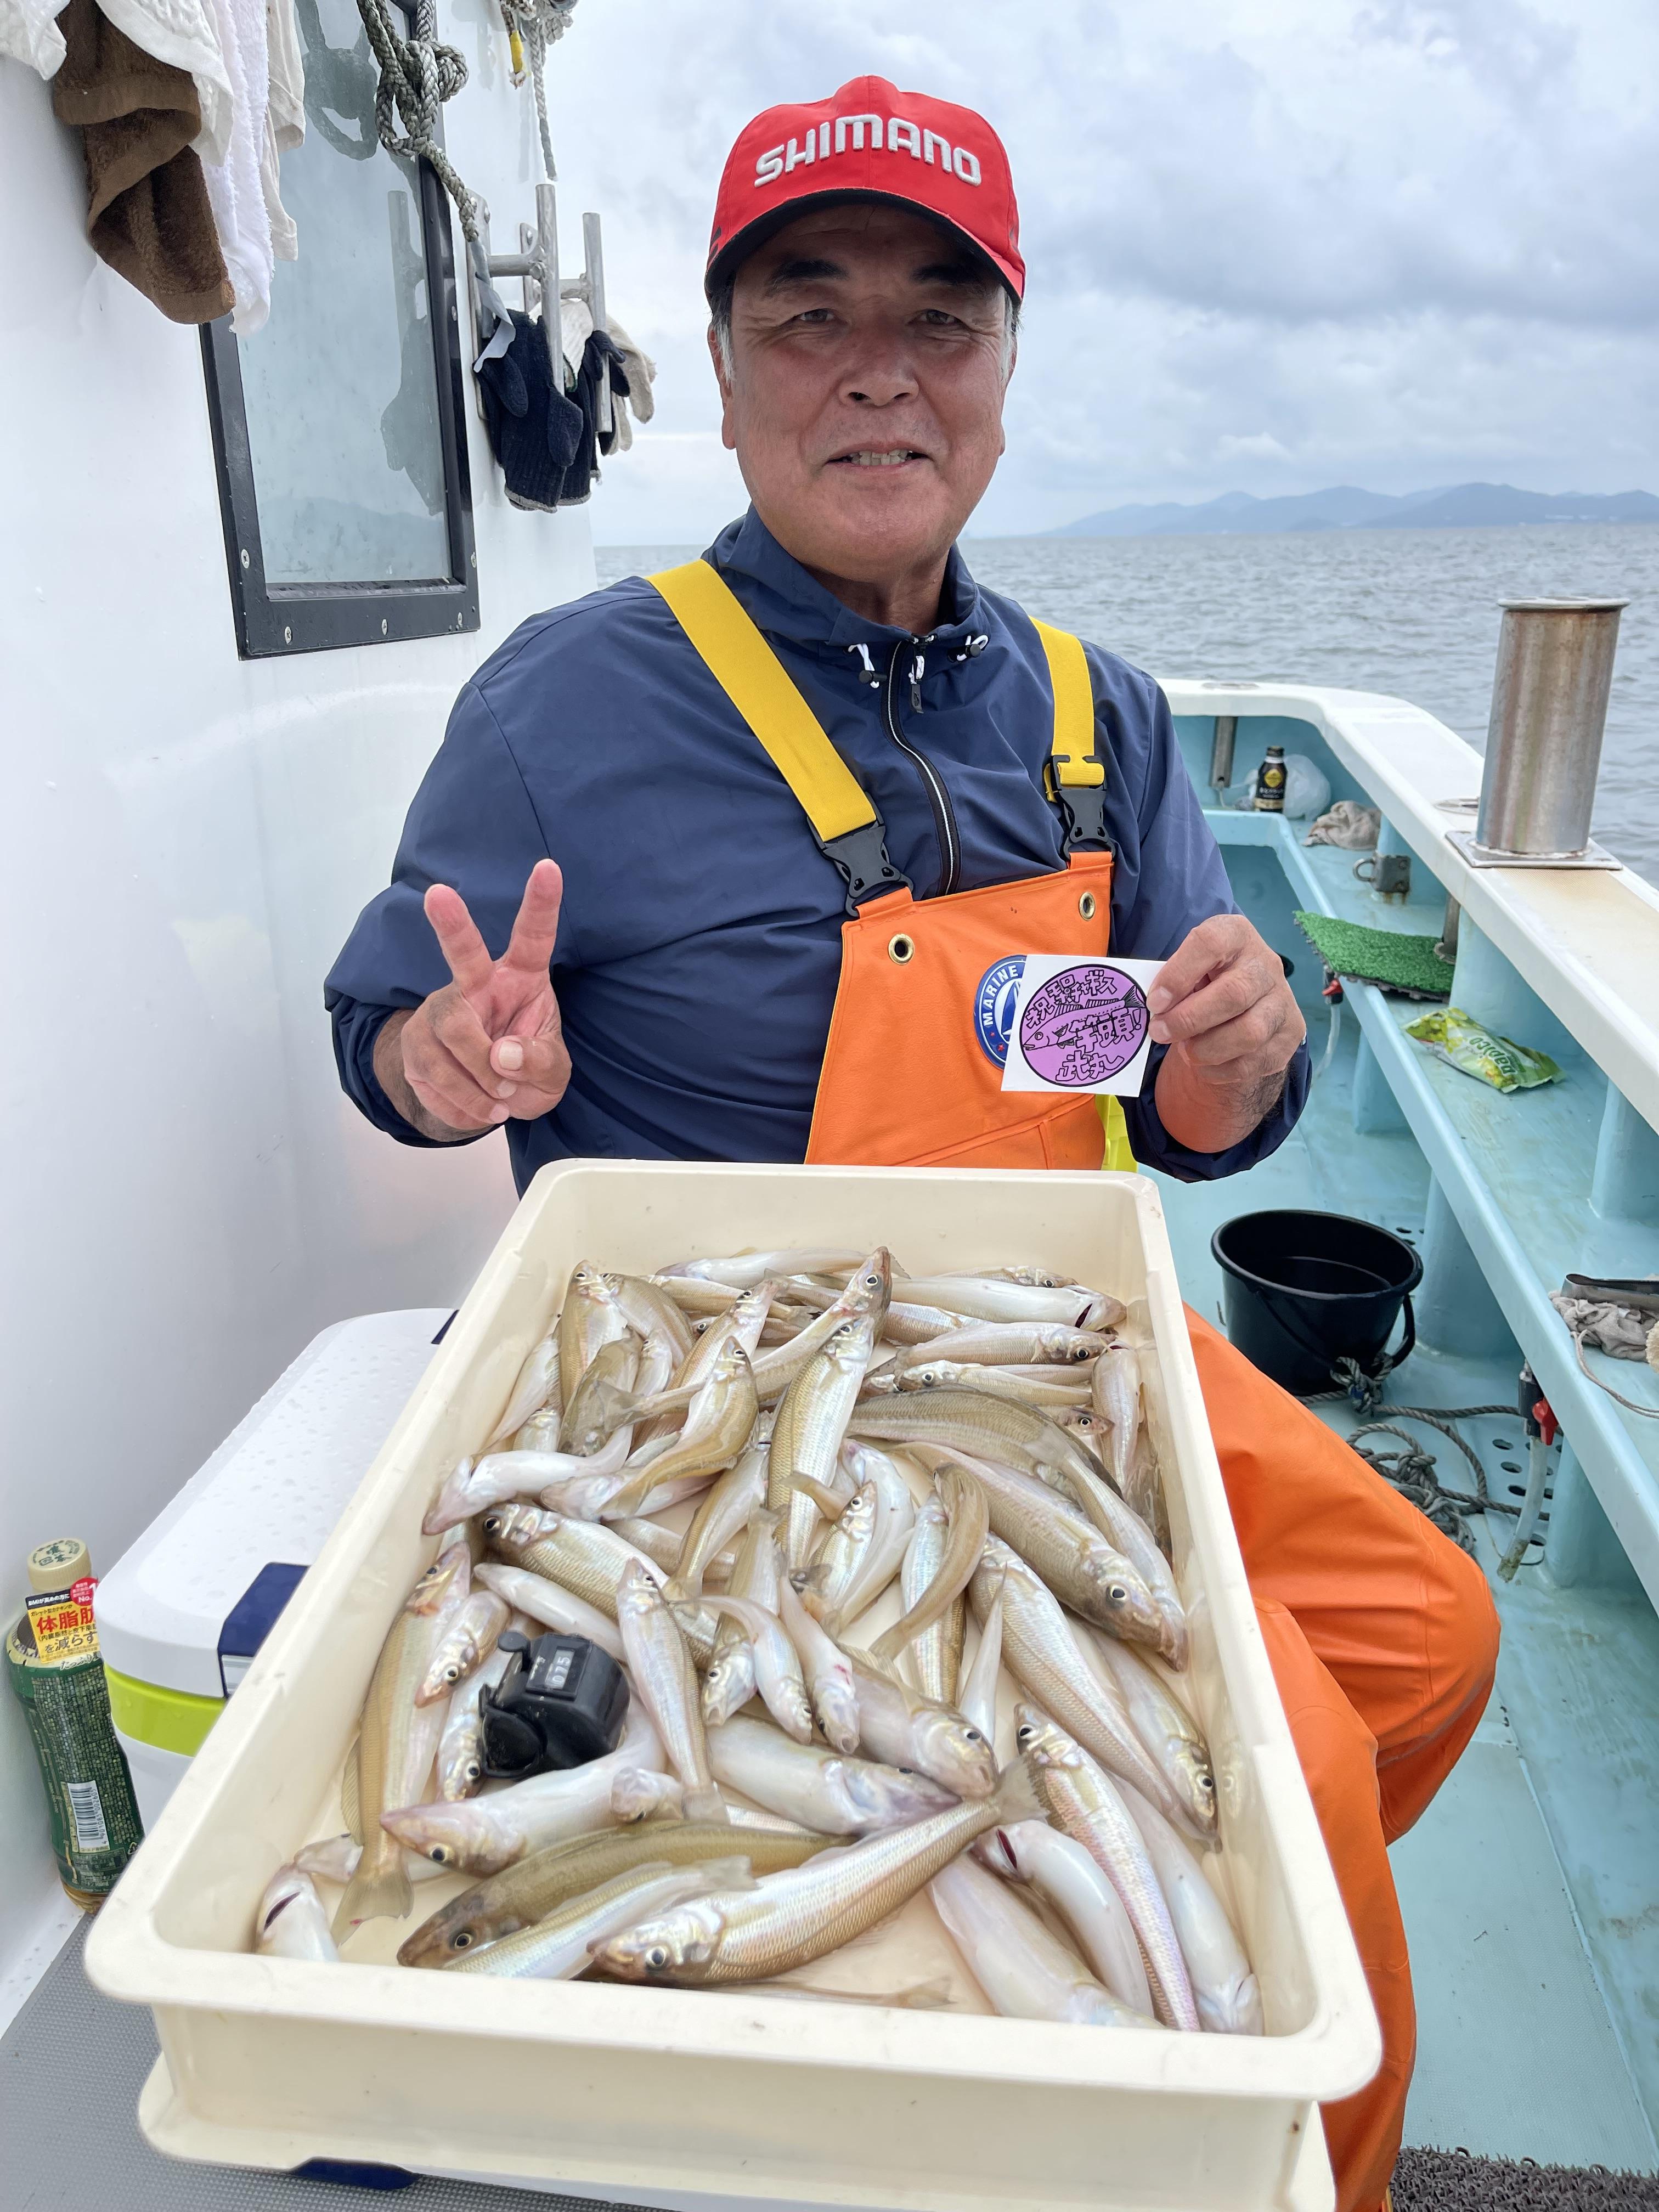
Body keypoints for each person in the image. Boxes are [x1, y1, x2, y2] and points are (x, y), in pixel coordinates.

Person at [326, 77, 1496, 2212]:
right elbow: (378, 1035)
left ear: (1009, 374)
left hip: (1062, 1351)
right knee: (1302, 1787)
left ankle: (1065, 1989)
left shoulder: (1098, 712)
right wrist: (451, 1054)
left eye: (944, 318)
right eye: (810, 311)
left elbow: (1195, 1118)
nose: (881, 365)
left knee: (1435, 1638)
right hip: (740, 1399)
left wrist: (1237, 1060)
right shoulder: (562, 703)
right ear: (728, 370)